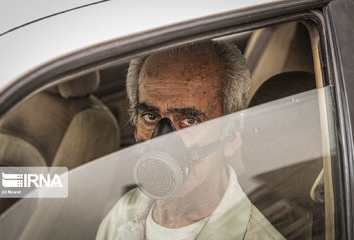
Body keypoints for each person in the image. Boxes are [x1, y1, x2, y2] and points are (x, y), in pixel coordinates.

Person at [96, 41, 284, 240]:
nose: (163, 139)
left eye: (189, 120)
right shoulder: (124, 212)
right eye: (151, 116)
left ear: (232, 136)